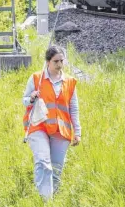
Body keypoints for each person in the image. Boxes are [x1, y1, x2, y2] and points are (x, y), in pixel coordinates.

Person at [22, 45, 81, 201]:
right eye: (56, 61)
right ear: (48, 62)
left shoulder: (70, 82)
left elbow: (73, 108)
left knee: (56, 168)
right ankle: (44, 200)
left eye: (62, 61)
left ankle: (52, 198)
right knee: (43, 161)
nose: (59, 65)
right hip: (38, 126)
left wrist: (78, 132)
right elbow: (24, 100)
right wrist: (32, 97)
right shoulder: (36, 78)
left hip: (61, 130)